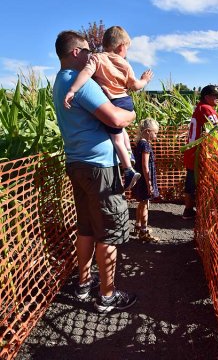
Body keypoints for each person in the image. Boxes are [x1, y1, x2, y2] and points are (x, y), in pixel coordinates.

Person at [53, 30, 137, 313]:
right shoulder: (83, 83)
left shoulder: (59, 82)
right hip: (99, 168)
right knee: (109, 233)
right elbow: (114, 117)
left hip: (76, 164)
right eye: (87, 50)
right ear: (76, 52)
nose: (93, 55)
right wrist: (132, 115)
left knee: (86, 228)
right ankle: (108, 296)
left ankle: (84, 284)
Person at [63, 25, 153, 191]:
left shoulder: (97, 59)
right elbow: (135, 86)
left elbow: (85, 74)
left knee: (116, 138)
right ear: (121, 47)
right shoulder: (125, 65)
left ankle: (128, 170)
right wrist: (145, 80)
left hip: (113, 102)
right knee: (122, 130)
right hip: (126, 101)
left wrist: (72, 89)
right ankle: (129, 154)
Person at [183, 84, 218, 220]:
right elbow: (216, 128)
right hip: (197, 152)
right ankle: (196, 211)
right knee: (196, 181)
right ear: (207, 97)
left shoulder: (199, 107)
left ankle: (188, 210)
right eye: (215, 96)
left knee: (191, 180)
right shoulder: (206, 108)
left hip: (192, 149)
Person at [131, 118, 160, 242]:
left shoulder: (139, 143)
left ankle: (138, 225)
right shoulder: (146, 145)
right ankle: (144, 231)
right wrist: (149, 183)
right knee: (145, 205)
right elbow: (145, 165)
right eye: (155, 132)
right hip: (144, 179)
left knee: (141, 203)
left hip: (139, 177)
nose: (156, 135)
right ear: (148, 131)